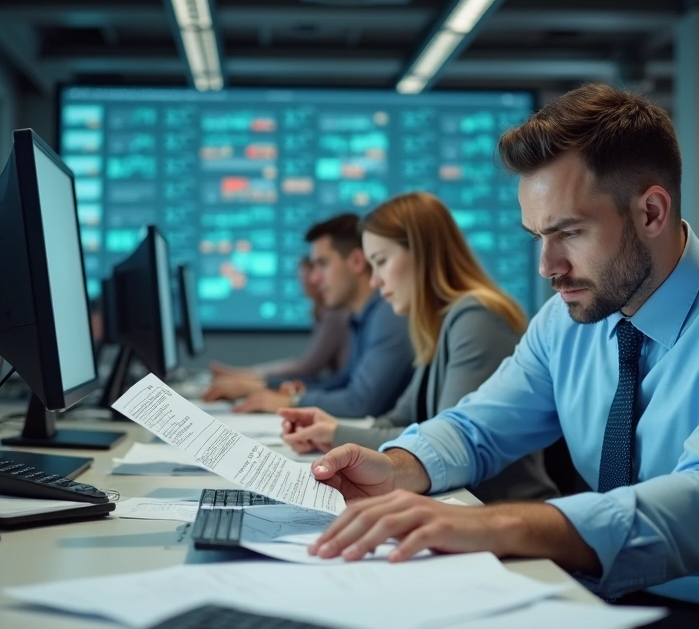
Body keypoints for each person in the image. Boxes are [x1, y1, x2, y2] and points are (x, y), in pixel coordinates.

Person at [300, 84, 699, 610]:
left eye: (570, 233)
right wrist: (396, 467)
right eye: (538, 238)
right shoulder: (569, 319)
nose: (547, 268)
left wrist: (494, 524)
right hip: (594, 594)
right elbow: (477, 428)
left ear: (651, 212)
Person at [277, 192, 559, 503]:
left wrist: (335, 435)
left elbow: (447, 440)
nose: (374, 282)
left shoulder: (477, 317)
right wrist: (332, 432)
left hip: (504, 513)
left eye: (381, 262)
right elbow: (398, 419)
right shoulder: (436, 323)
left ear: (423, 254)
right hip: (461, 505)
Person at [218, 214, 414, 416]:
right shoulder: (362, 317)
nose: (314, 277)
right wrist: (273, 388)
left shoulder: (389, 314)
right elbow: (340, 384)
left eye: (323, 264)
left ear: (356, 261)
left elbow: (360, 402)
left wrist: (292, 400)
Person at [206, 256, 350, 390]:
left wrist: (250, 378)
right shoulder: (327, 313)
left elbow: (308, 367)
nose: (306, 289)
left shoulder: (335, 315)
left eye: (309, 283)